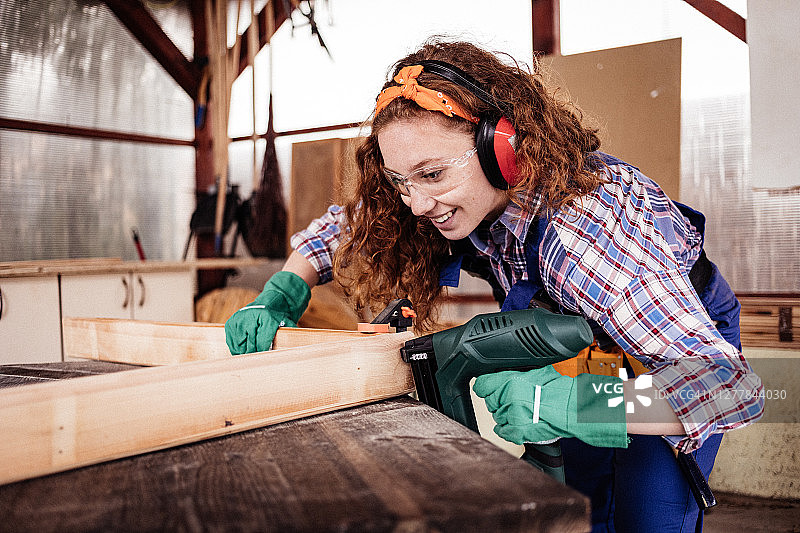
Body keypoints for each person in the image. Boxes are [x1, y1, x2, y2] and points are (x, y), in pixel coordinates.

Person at [225, 38, 764, 532]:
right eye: (401, 180)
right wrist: (282, 293)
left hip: (666, 352)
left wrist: (582, 404)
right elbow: (346, 227)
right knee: (580, 504)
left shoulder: (588, 233)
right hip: (592, 340)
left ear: (501, 148)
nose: (416, 204)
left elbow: (727, 386)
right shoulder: (443, 194)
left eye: (433, 175)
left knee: (647, 517)